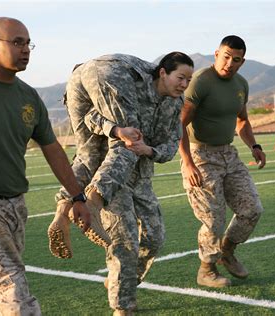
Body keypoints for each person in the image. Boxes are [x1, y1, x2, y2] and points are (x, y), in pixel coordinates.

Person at [0, 17, 91, 315]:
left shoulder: (28, 96)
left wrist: (77, 196)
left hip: (15, 207)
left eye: (28, 43)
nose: (26, 49)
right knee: (12, 292)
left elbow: (54, 150)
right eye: (17, 42)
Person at [47, 52, 194, 314]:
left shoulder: (175, 103)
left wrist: (149, 150)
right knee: (125, 242)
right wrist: (117, 131)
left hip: (141, 179)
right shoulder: (127, 82)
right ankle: (122, 306)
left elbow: (172, 143)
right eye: (180, 77)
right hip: (114, 182)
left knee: (155, 238)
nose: (184, 84)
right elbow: (92, 118)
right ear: (162, 72)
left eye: (188, 80)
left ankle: (66, 210)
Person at [179, 35, 266, 288]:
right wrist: (187, 162)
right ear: (216, 54)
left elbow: (242, 121)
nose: (229, 63)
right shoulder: (200, 82)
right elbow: (179, 124)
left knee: (252, 209)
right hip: (200, 155)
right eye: (226, 57)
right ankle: (206, 270)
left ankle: (227, 251)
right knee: (213, 219)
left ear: (242, 61)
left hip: (229, 154)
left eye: (235, 59)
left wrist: (254, 146)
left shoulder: (241, 84)